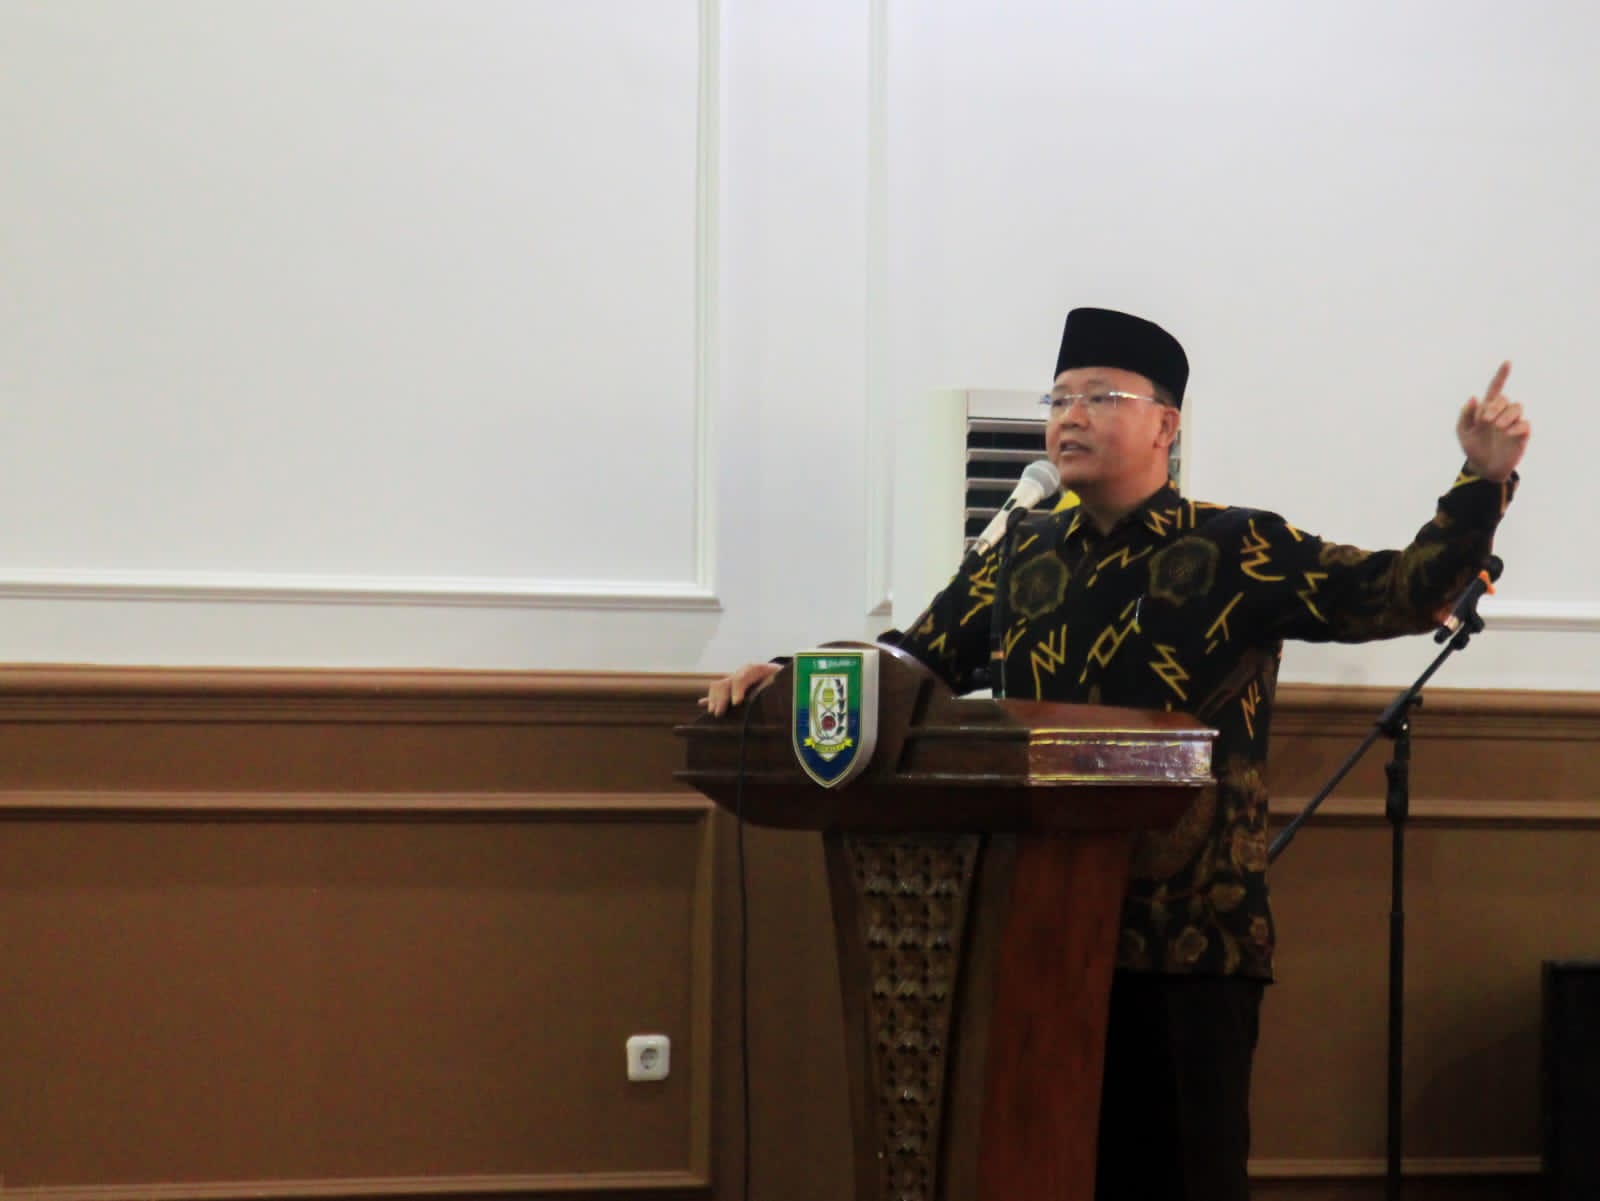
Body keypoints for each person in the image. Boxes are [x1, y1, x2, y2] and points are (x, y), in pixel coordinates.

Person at [703, 306, 1530, 1199]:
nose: (1070, 415)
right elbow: (913, 661)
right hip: (1039, 939)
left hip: (1187, 948)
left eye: (1100, 396)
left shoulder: (1236, 546)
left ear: (1166, 425)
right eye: (1059, 398)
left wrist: (1481, 480)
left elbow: (1398, 591)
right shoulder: (1019, 552)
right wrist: (790, 678)